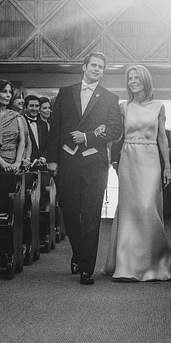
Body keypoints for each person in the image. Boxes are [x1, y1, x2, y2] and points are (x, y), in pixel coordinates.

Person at [45, 51, 122, 285]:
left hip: (94, 163)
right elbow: (55, 127)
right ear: (84, 67)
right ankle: (78, 253)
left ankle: (87, 268)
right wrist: (52, 159)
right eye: (94, 65)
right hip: (67, 160)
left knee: (90, 215)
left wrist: (87, 137)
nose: (97, 69)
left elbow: (115, 130)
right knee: (69, 212)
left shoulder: (110, 98)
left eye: (101, 67)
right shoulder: (65, 93)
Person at [103, 65, 171, 281]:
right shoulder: (123, 107)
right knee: (129, 208)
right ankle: (127, 265)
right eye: (130, 78)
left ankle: (156, 262)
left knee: (147, 206)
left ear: (146, 80)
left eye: (136, 77)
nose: (132, 81)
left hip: (151, 157)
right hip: (128, 157)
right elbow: (116, 136)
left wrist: (167, 166)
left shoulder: (159, 106)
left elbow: (162, 138)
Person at [0, 79, 28, 172]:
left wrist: (18, 162)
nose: (8, 95)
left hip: (13, 166)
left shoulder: (16, 116)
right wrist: (2, 162)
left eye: (10, 92)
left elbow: (22, 140)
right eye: (4, 91)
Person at [23, 94, 49, 165]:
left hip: (41, 165)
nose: (34, 109)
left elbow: (47, 144)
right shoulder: (21, 122)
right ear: (25, 107)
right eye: (31, 106)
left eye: (37, 106)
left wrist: (43, 158)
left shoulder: (43, 124)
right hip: (25, 164)